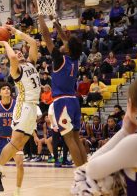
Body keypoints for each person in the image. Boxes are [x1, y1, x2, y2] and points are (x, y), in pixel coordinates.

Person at [0, 25, 41, 191]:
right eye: (16, 52)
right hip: (23, 106)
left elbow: (33, 43)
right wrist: (5, 43)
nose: (18, 53)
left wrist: (16, 32)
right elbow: (11, 57)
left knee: (20, 145)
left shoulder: (31, 63)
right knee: (14, 142)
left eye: (20, 52)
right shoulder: (15, 70)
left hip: (33, 107)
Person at [74, 78, 137, 195]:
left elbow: (90, 169)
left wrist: (124, 131)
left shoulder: (134, 144)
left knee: (82, 181)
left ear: (131, 106)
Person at [38, 15, 87, 166]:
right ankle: (87, 172)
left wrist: (40, 17)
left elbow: (47, 37)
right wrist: (55, 23)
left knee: (69, 139)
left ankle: (80, 175)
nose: (62, 44)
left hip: (62, 101)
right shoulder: (75, 59)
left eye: (65, 44)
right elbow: (66, 39)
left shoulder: (60, 59)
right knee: (76, 139)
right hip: (73, 101)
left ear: (68, 48)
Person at [0, 82, 26, 195]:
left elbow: (24, 121)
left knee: (20, 164)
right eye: (3, 89)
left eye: (8, 88)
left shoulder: (17, 105)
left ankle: (17, 191)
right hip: (0, 139)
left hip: (14, 139)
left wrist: (34, 136)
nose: (7, 90)